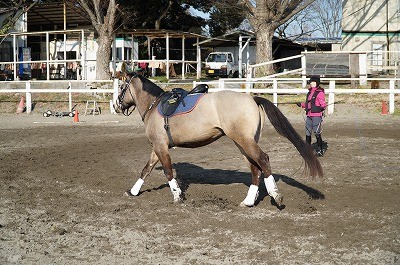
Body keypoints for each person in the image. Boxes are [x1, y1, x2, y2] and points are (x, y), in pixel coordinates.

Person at [297, 75, 327, 157]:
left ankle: (320, 150)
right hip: (309, 115)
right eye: (311, 82)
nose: (312, 83)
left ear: (317, 83)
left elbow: (323, 105)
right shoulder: (309, 92)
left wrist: (320, 108)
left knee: (317, 133)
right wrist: (302, 105)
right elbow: (308, 104)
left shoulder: (320, 93)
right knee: (307, 133)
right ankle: (307, 150)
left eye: (314, 82)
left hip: (316, 116)